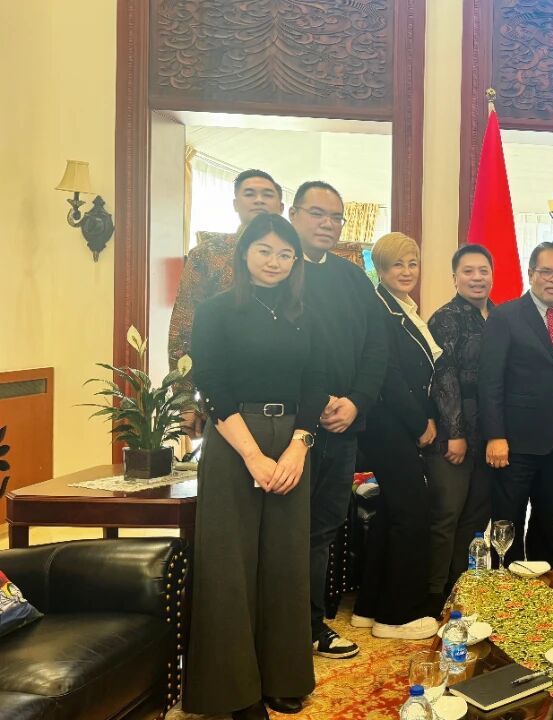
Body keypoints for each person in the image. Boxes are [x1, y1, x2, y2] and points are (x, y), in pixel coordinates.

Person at [185, 213, 323, 720]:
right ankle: (234, 691)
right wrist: (252, 455)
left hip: (292, 442)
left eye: (285, 254)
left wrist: (298, 447)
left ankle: (283, 677)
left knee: (287, 562)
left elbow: (317, 382)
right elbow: (213, 386)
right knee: (230, 564)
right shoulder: (216, 310)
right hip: (233, 440)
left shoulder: (307, 313)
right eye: (265, 250)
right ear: (244, 253)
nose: (275, 261)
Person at [289, 180, 389, 660]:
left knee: (323, 529)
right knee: (286, 529)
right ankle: (281, 627)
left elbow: (376, 346)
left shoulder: (353, 278)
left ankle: (312, 625)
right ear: (294, 215)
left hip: (345, 425)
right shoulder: (277, 271)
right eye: (317, 214)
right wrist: (316, 403)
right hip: (288, 429)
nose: (327, 224)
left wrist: (356, 401)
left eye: (335, 217)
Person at [349, 233, 441, 640]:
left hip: (396, 425)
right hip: (389, 425)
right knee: (412, 513)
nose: (406, 271)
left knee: (391, 511)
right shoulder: (380, 309)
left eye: (412, 263)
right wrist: (420, 423)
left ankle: (369, 607)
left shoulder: (404, 307)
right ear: (381, 270)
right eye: (397, 265)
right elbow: (389, 376)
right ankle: (397, 616)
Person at [479, 242, 553, 566]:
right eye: (546, 272)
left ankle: (543, 584)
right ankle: (508, 587)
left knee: (546, 521)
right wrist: (495, 435)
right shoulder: (505, 316)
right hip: (514, 443)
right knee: (508, 521)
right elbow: (490, 381)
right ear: (531, 274)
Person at [169, 169, 284, 436]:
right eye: (249, 194)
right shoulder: (208, 254)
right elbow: (183, 327)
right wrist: (185, 401)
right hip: (221, 395)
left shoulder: (293, 257)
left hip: (287, 400)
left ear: (280, 206)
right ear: (235, 204)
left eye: (267, 195)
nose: (258, 200)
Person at [424, 244, 495, 597]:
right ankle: (434, 596)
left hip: (489, 433)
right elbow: (444, 376)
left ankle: (463, 590)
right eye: (468, 271)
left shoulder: (500, 316)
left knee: (476, 518)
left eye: (483, 271)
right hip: (453, 432)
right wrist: (455, 432)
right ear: (455, 278)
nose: (476, 278)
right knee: (446, 517)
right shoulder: (444, 318)